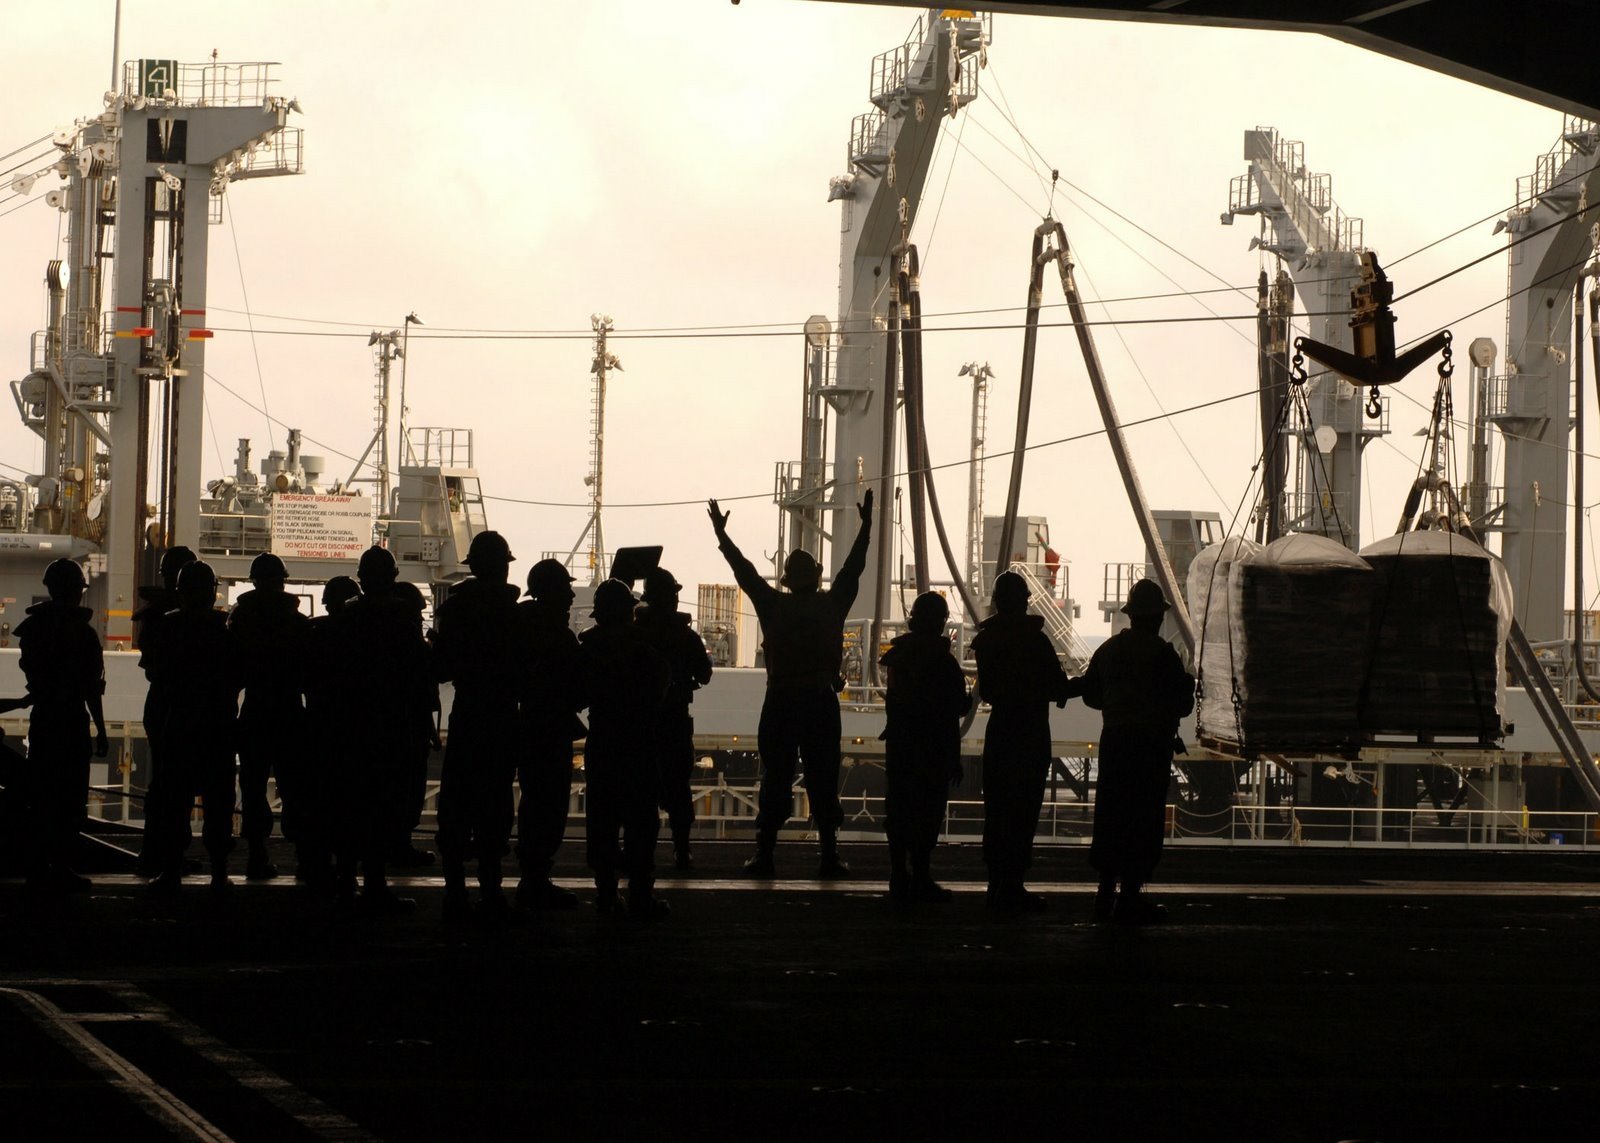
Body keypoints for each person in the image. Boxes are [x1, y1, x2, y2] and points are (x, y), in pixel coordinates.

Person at [708, 489, 873, 878]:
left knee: (776, 777)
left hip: (781, 702)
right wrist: (866, 526)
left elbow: (743, 570)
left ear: (787, 579)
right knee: (823, 776)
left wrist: (722, 535)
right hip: (819, 703)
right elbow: (854, 567)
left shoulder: (772, 605)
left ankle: (764, 855)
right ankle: (829, 856)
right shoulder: (832, 605)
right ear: (817, 577)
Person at [1079, 578, 1194, 925]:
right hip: (1150, 746)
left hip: (1115, 742)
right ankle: (1129, 897)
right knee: (1142, 819)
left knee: (1112, 814)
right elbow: (1183, 705)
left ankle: (1103, 893)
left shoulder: (1109, 650)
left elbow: (1090, 695)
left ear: (1130, 615)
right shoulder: (1163, 655)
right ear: (1158, 617)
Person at [433, 531, 525, 923]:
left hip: (468, 714)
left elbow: (440, 669)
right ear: (502, 567)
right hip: (503, 716)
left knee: (456, 806)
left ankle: (455, 892)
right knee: (495, 808)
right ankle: (491, 891)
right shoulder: (515, 615)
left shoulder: (456, 612)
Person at [336, 547, 432, 914]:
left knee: (351, 806)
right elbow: (420, 676)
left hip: (352, 727)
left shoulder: (346, 619)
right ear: (393, 579)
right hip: (391, 725)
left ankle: (345, 880)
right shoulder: (402, 622)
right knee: (383, 806)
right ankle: (375, 886)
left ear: (361, 579)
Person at [972, 570, 1072, 913]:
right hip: (1030, 731)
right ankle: (1012, 886)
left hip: (1000, 731)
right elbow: (1058, 686)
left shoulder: (986, 641)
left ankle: (995, 884)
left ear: (997, 601)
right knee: (1024, 809)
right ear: (1025, 601)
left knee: (997, 809)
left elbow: (987, 691)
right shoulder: (1035, 641)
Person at [143, 560, 240, 892]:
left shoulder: (169, 628)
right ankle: (219, 871)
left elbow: (156, 673)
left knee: (175, 799)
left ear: (180, 593)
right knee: (219, 801)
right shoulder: (225, 627)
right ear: (212, 593)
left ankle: (171, 870)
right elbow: (238, 676)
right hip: (218, 726)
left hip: (179, 724)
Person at [15, 559, 107, 894]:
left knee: (41, 794)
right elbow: (91, 688)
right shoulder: (83, 633)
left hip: (43, 718)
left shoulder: (33, 630)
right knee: (70, 797)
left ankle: (38, 866)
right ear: (78, 592)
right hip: (72, 720)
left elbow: (33, 673)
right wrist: (101, 729)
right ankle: (62, 865)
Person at [579, 579, 669, 917]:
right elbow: (660, 689)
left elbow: (577, 693)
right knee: (641, 822)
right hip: (639, 741)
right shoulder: (643, 649)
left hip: (602, 739)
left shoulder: (588, 649)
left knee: (602, 819)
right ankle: (640, 896)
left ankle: (605, 894)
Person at [879, 591, 969, 903]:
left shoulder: (897, 657)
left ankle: (897, 874)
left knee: (899, 808)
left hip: (901, 744)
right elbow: (956, 707)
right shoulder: (944, 662)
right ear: (942, 622)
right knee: (927, 811)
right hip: (934, 746)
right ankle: (920, 876)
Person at [227, 552, 310, 880]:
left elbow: (233, 676)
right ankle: (305, 858)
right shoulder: (298, 625)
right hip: (290, 713)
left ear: (253, 582)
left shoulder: (240, 622)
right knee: (297, 788)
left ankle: (257, 857)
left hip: (255, 712)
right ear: (283, 582)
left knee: (252, 786)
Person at [514, 558, 587, 911]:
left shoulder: (522, 630)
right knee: (549, 806)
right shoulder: (557, 637)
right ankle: (536, 880)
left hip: (529, 726)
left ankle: (531, 878)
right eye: (566, 588)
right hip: (551, 730)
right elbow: (579, 690)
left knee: (534, 804)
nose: (572, 594)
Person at [634, 566, 713, 871]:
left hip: (640, 722)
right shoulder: (685, 636)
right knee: (678, 789)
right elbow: (704, 675)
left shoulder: (636, 632)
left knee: (640, 789)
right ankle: (681, 850)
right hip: (675, 720)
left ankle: (638, 852)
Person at [132, 545, 196, 875]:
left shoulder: (155, 616)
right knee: (180, 784)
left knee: (162, 782)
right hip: (187, 704)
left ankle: (155, 852)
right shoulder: (197, 621)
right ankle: (171, 854)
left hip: (160, 702)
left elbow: (150, 665)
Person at [301, 575, 361, 892]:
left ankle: (314, 867)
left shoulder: (313, 632)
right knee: (351, 803)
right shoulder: (365, 636)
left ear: (325, 602)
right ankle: (349, 872)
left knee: (317, 801)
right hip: (355, 729)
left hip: (318, 725)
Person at [387, 578, 440, 870]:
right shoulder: (410, 646)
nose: (420, 619)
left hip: (404, 726)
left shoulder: (385, 642)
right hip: (409, 728)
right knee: (407, 789)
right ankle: (400, 845)